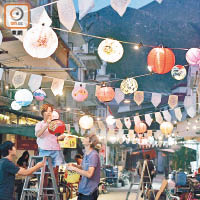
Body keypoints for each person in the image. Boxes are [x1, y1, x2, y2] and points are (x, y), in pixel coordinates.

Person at [67, 133, 101, 200]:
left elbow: (89, 174)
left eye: (86, 138)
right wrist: (75, 166)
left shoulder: (93, 155)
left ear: (90, 142)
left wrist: (74, 168)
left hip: (89, 191)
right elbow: (82, 168)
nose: (83, 138)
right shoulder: (86, 153)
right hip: (83, 189)